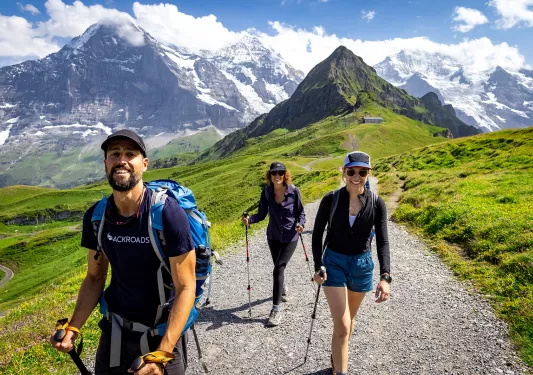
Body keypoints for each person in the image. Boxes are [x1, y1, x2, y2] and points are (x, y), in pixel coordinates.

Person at [51, 129, 196, 375]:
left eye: (131, 154)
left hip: (161, 336)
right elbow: (95, 277)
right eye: (114, 154)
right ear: (106, 163)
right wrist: (74, 327)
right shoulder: (97, 217)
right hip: (115, 334)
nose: (122, 160)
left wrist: (161, 354)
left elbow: (186, 287)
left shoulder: (167, 214)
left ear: (144, 164)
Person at [311, 151, 391, 375]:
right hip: (334, 263)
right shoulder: (330, 200)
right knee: (344, 326)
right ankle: (342, 371)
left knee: (347, 322)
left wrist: (385, 277)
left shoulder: (377, 203)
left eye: (362, 172)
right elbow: (317, 235)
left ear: (369, 173)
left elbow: (383, 241)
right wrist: (318, 266)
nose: (357, 176)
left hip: (361, 265)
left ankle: (337, 359)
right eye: (351, 171)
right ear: (343, 172)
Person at [241, 162, 306, 326]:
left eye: (280, 172)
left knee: (278, 268)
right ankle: (282, 287)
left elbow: (301, 213)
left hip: (291, 236)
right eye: (274, 173)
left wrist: (301, 224)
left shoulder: (294, 191)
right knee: (278, 266)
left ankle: (275, 310)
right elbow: (262, 214)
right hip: (273, 236)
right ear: (269, 175)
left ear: (285, 174)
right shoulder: (267, 192)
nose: (277, 175)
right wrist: (250, 220)